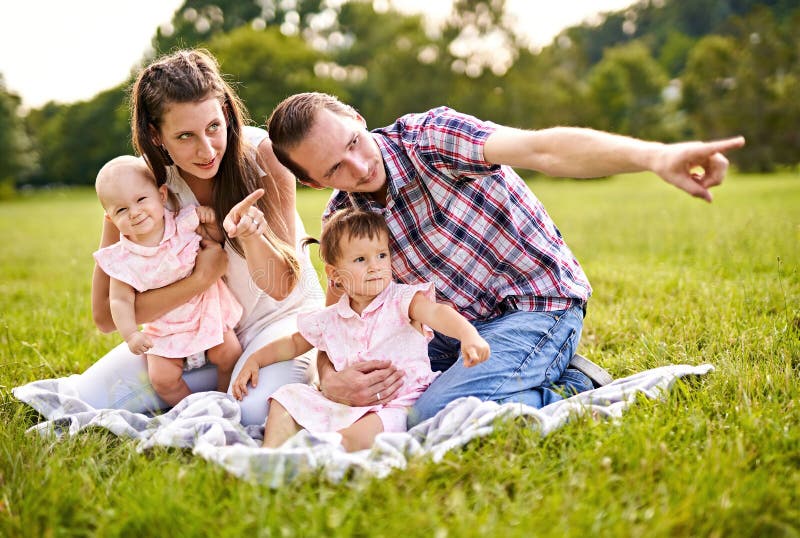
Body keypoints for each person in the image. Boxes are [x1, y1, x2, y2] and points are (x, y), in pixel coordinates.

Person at [266, 92, 745, 427]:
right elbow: (341, 319)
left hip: (536, 305)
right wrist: (331, 380)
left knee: (430, 415)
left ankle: (574, 384)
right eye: (334, 168)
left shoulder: (429, 138)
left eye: (354, 142)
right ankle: (525, 375)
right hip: (453, 331)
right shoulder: (343, 218)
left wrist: (656, 156)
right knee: (362, 406)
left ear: (354, 116)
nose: (359, 166)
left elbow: (544, 149)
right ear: (313, 182)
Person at [73, 49, 323, 426]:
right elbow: (107, 316)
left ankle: (232, 386)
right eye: (185, 136)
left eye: (213, 127)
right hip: (192, 335)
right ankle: (206, 389)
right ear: (156, 136)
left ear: (225, 112)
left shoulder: (264, 157)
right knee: (88, 400)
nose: (206, 150)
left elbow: (283, 287)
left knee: (253, 413)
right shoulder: (139, 188)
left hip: (278, 324)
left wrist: (253, 237)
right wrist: (200, 280)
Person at [231, 209, 490, 451]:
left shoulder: (402, 300)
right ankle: (270, 453)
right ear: (335, 274)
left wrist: (468, 335)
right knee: (286, 397)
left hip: (396, 403)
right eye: (360, 259)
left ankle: (322, 452)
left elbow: (437, 313)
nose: (375, 266)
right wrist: (255, 359)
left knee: (356, 437)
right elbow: (293, 343)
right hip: (345, 403)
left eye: (381, 255)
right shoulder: (332, 317)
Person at [93, 156, 243, 404]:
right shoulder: (123, 259)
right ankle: (190, 409)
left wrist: (211, 219)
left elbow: (216, 239)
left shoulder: (183, 222)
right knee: (162, 378)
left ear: (162, 195)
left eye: (141, 200)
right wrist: (131, 335)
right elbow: (119, 300)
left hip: (206, 313)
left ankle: (223, 399)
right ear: (110, 219)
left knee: (230, 353)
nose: (135, 212)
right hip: (165, 329)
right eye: (121, 209)